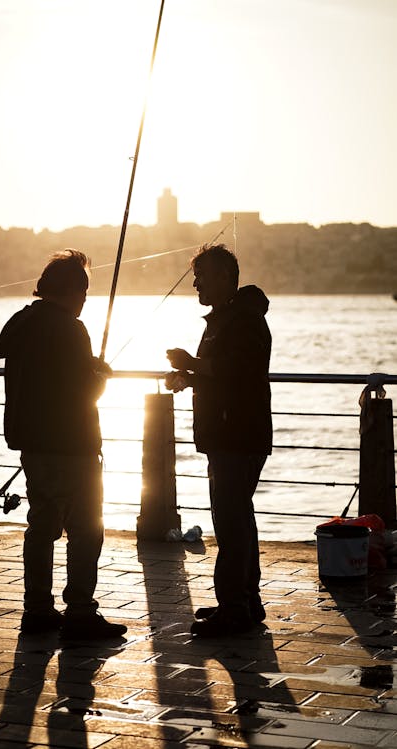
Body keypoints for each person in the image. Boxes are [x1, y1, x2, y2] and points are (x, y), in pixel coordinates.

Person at [0, 250, 127, 639]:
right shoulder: (70, 329)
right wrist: (100, 376)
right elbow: (82, 393)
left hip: (32, 445)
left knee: (42, 527)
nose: (85, 300)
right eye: (84, 290)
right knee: (85, 530)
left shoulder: (21, 323)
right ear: (73, 290)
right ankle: (80, 612)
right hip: (71, 446)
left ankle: (37, 609)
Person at [165, 244, 272, 637]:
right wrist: (188, 378)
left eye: (203, 276)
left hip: (238, 435)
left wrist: (190, 364)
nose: (196, 284)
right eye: (195, 277)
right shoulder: (223, 320)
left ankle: (235, 608)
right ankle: (245, 600)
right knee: (238, 519)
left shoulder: (243, 320)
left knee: (231, 523)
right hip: (226, 433)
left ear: (226, 277)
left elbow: (237, 372)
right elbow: (219, 376)